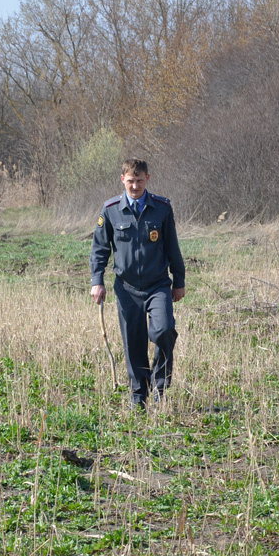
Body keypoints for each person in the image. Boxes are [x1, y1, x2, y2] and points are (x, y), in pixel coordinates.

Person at [90, 158, 185, 409]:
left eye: (139, 181)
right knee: (133, 342)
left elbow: (173, 248)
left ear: (147, 179)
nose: (134, 186)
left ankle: (160, 387)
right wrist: (96, 281)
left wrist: (179, 280)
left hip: (158, 286)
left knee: (164, 331)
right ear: (123, 179)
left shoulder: (162, 209)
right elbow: (99, 249)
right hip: (127, 288)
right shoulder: (110, 209)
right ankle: (138, 395)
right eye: (130, 181)